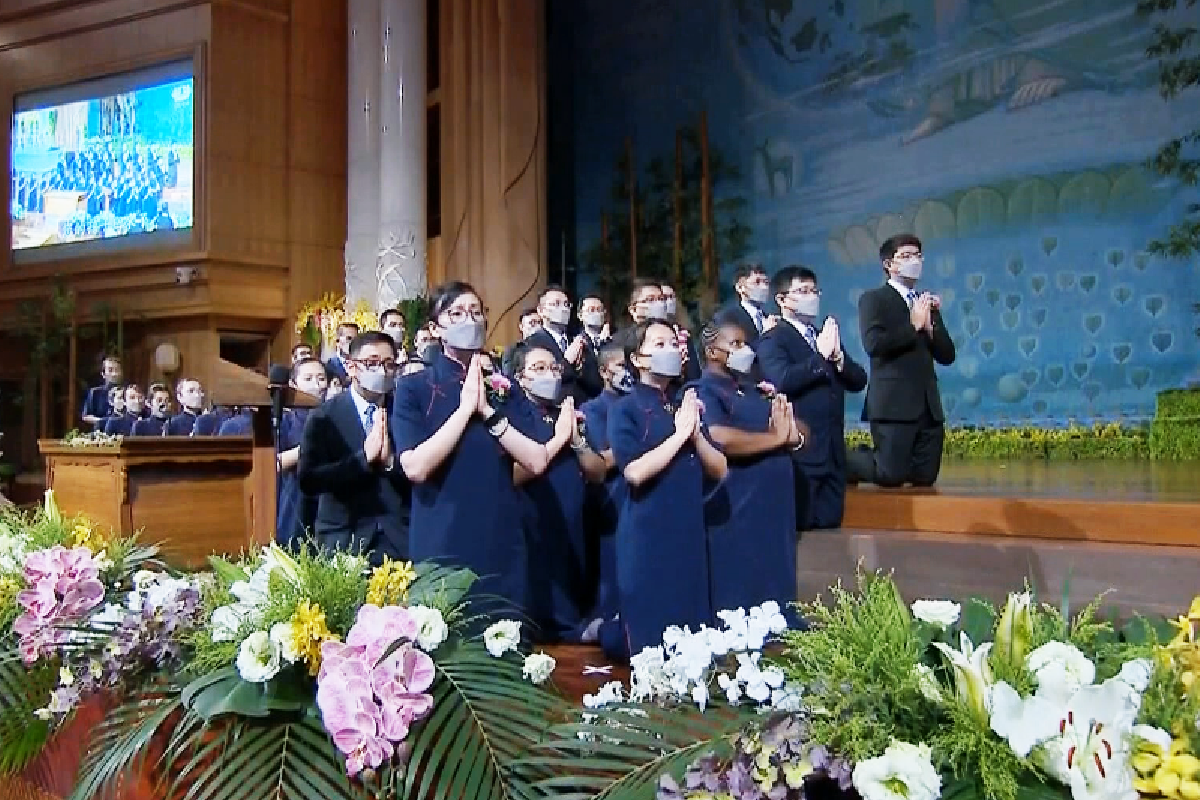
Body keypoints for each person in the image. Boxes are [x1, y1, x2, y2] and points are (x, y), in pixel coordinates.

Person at [391, 281, 574, 622]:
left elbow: (536, 460)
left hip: (499, 531)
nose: (469, 320)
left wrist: (489, 413)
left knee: (502, 639)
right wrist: (464, 411)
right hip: (442, 531)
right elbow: (415, 467)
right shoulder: (414, 387)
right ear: (435, 328)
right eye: (456, 313)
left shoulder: (505, 389)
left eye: (476, 313)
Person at [608, 320, 727, 654]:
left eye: (673, 343)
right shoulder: (625, 409)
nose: (671, 350)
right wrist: (679, 436)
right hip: (648, 530)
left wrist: (695, 433)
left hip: (688, 528)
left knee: (691, 628)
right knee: (652, 635)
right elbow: (634, 471)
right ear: (639, 359)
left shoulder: (683, 404)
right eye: (659, 345)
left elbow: (720, 468)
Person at [694, 316, 805, 617]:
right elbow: (719, 437)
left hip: (773, 503)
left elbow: (791, 428)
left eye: (746, 343)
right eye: (736, 344)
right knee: (742, 569)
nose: (746, 351)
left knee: (776, 564)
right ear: (712, 352)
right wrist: (776, 438)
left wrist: (791, 434)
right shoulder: (704, 391)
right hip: (737, 500)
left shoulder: (753, 389)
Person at [757, 266, 868, 529]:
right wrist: (819, 358)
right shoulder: (774, 339)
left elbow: (859, 380)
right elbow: (782, 380)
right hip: (802, 452)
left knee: (831, 523)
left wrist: (838, 358)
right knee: (804, 528)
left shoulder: (823, 336)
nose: (812, 297)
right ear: (782, 300)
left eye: (814, 291)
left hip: (833, 451)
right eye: (803, 291)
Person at [509, 345, 607, 641]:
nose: (550, 375)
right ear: (520, 377)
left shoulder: (567, 413)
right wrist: (558, 439)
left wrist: (575, 440)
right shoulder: (512, 415)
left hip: (571, 521)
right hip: (530, 518)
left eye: (554, 368)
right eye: (539, 368)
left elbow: (598, 472)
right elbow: (513, 474)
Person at [849, 234, 956, 487]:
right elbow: (874, 345)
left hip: (928, 405)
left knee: (924, 477)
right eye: (906, 256)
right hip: (893, 404)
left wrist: (931, 329)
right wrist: (913, 325)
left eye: (918, 256)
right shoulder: (874, 299)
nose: (914, 261)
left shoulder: (925, 302)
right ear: (889, 264)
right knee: (891, 475)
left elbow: (948, 355)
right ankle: (844, 460)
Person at [297, 331, 409, 565]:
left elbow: (421, 474)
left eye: (388, 364)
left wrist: (390, 463)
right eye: (372, 363)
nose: (381, 371)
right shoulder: (324, 416)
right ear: (351, 367)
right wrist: (361, 461)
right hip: (344, 537)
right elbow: (309, 480)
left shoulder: (404, 412)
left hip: (398, 537)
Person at [578, 341, 635, 656]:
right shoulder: (591, 411)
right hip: (610, 504)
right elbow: (597, 460)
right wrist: (636, 446)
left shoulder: (642, 403)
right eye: (620, 366)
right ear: (603, 371)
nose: (627, 373)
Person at [277, 357, 328, 547]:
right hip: (295, 502)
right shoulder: (284, 421)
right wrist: (306, 450)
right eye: (308, 379)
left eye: (321, 378)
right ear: (293, 384)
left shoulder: (334, 414)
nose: (316, 385)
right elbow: (273, 462)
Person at [526, 285, 603, 403]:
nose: (563, 309)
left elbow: (595, 383)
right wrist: (566, 362)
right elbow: (542, 383)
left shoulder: (578, 341)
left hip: (585, 408)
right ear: (541, 311)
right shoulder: (533, 343)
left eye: (566, 304)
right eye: (556, 304)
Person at [722, 263, 776, 344]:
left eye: (766, 282)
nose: (764, 287)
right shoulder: (728, 319)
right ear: (740, 287)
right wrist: (765, 334)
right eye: (757, 282)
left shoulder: (770, 319)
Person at [82, 356, 122, 430]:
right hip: (100, 434)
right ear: (103, 374)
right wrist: (103, 421)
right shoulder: (95, 392)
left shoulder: (127, 393)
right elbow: (86, 416)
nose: (114, 374)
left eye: (117, 370)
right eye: (110, 370)